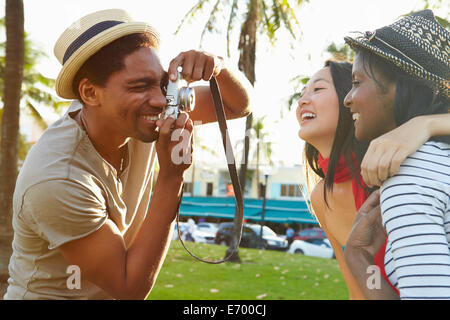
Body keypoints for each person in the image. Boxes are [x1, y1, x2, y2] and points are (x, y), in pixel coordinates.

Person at [3, 9, 252, 300]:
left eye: (161, 84)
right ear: (90, 93)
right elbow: (129, 287)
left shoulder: (138, 117)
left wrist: (218, 67)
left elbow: (236, 106)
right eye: (140, 86)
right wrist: (172, 178)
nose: (160, 100)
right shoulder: (56, 178)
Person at [297, 31, 450, 299]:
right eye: (302, 92)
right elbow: (362, 289)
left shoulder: (401, 166)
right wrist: (358, 258)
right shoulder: (322, 198)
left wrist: (426, 123)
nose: (302, 101)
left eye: (318, 89)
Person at [343, 9, 450, 299]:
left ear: (400, 88)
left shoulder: (412, 174)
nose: (347, 99)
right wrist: (359, 257)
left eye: (356, 82)